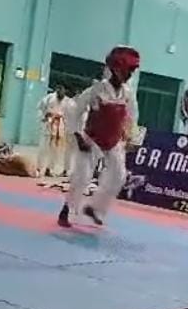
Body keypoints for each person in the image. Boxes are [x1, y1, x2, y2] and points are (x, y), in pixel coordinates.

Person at [58, 46, 140, 228]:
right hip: (91, 139)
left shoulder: (128, 93)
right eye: (127, 71)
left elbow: (132, 117)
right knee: (83, 176)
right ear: (115, 69)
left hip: (114, 140)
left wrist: (131, 137)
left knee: (119, 175)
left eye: (131, 72)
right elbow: (73, 110)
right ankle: (67, 209)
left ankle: (95, 208)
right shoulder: (96, 90)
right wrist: (78, 135)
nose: (129, 75)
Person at [37, 85, 75, 177]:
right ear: (56, 91)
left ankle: (49, 169)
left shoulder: (68, 102)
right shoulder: (49, 98)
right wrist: (44, 116)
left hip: (60, 127)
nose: (61, 93)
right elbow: (40, 108)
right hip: (48, 124)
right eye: (59, 91)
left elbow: (72, 113)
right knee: (43, 148)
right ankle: (39, 168)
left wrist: (66, 123)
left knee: (55, 150)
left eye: (63, 91)